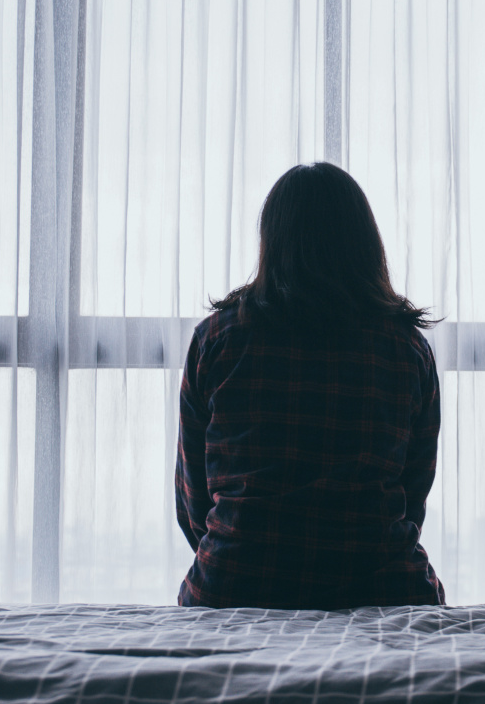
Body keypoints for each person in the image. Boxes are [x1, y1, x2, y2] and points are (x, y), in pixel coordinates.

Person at [175, 162, 444, 610]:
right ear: (365, 243)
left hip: (232, 584)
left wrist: (245, 550)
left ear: (271, 240)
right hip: (386, 587)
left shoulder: (216, 339)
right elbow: (413, 492)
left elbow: (193, 501)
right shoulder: (407, 348)